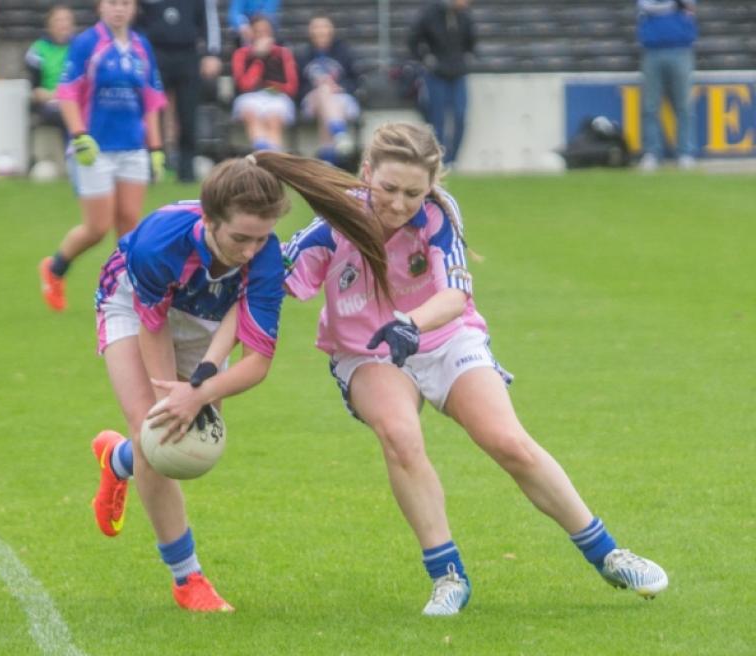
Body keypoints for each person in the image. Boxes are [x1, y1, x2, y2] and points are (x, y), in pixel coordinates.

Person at [283, 122, 669, 616]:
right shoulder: (330, 227)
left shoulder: (438, 213)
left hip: (443, 334)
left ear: (431, 187)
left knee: (507, 441)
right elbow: (271, 284)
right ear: (366, 174)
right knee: (400, 436)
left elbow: (455, 295)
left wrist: (410, 324)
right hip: (368, 350)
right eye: (388, 188)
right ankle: (448, 577)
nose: (400, 204)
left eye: (413, 192)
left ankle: (609, 554)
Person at [90, 151, 389, 612]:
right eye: (240, 238)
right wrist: (175, 400)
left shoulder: (266, 256)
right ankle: (187, 578)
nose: (250, 251)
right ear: (210, 219)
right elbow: (154, 329)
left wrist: (202, 389)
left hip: (205, 315)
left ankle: (118, 460)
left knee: (184, 443)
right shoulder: (159, 244)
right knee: (158, 429)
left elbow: (258, 362)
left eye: (261, 238)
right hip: (131, 306)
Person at [38, 0, 166, 312]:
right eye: (112, 3)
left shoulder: (140, 46)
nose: (118, 9)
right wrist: (80, 135)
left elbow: (150, 100)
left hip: (133, 148)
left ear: (133, 8)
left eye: (125, 3)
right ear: (100, 7)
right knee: (97, 227)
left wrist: (156, 148)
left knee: (129, 225)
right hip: (95, 150)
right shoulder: (87, 43)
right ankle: (54, 269)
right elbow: (67, 92)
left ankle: (124, 292)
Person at [135, 0, 223, 183]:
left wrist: (212, 53)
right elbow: (136, 20)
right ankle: (151, 165)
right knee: (151, 113)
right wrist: (137, 51)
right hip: (154, 53)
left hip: (188, 54)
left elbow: (209, 20)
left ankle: (187, 169)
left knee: (188, 114)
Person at [408, 0, 475, 168]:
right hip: (436, 75)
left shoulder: (465, 17)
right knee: (437, 119)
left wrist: (466, 59)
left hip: (458, 74)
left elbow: (471, 42)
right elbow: (413, 39)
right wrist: (426, 59)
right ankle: (439, 160)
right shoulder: (429, 13)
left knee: (460, 116)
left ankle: (453, 160)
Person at [637, 0, 698, 171]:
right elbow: (645, 5)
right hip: (652, 51)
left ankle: (685, 153)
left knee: (683, 106)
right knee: (650, 106)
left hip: (681, 50)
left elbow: (690, 4)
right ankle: (652, 153)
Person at [295, 13, 360, 166]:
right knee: (324, 91)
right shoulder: (303, 54)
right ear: (310, 31)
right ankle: (339, 133)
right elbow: (297, 87)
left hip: (342, 99)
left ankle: (328, 162)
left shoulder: (344, 51)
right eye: (316, 27)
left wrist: (339, 87)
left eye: (324, 27)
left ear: (332, 29)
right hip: (312, 101)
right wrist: (316, 86)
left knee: (328, 109)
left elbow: (357, 81)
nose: (320, 31)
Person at [231, 15, 297, 152]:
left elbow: (291, 86)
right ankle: (261, 151)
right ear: (251, 33)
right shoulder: (241, 53)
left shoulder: (283, 53)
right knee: (251, 112)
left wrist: (273, 86)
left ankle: (274, 156)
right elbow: (243, 85)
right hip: (250, 97)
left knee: (274, 116)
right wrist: (258, 58)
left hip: (277, 97)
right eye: (257, 31)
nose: (262, 35)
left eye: (265, 31)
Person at [25, 4, 75, 144]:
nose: (63, 24)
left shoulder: (80, 47)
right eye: (58, 20)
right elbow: (36, 91)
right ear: (49, 25)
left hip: (74, 101)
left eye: (67, 20)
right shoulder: (38, 49)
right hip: (50, 105)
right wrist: (54, 96)